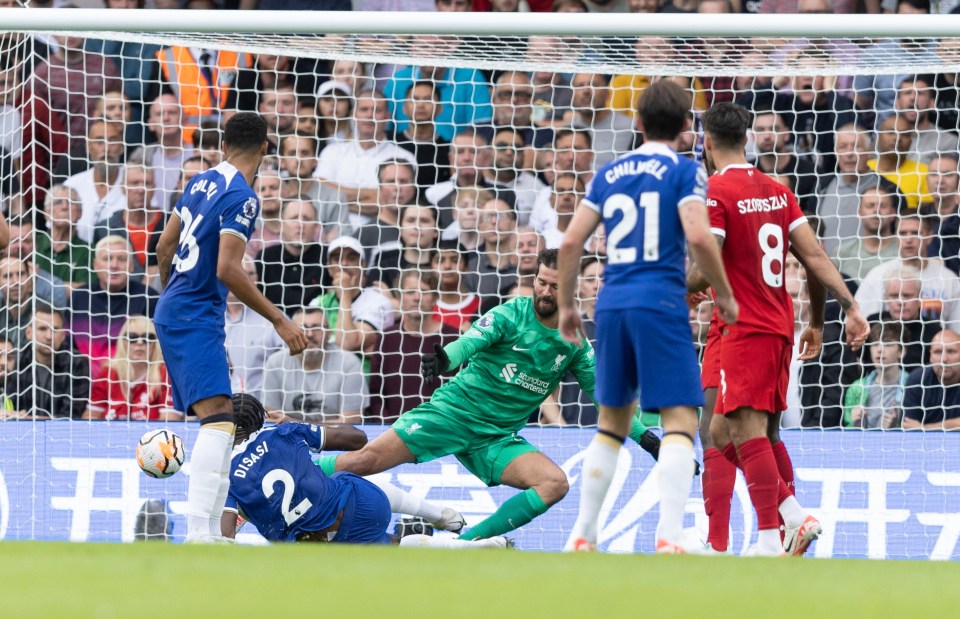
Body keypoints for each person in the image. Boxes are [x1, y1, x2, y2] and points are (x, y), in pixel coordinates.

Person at [317, 249, 661, 543]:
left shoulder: (575, 342)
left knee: (554, 484)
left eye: (555, 286)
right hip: (453, 413)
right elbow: (470, 342)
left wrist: (647, 439)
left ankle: (464, 545)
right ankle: (296, 464)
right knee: (363, 462)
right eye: (541, 282)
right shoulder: (510, 314)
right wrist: (446, 359)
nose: (544, 291)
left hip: (496, 438)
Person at [557, 81, 738, 555]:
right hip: (660, 301)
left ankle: (583, 534)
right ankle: (670, 534)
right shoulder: (685, 171)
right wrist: (723, 292)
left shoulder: (611, 172)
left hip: (612, 303)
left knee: (612, 421)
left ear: (637, 124)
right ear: (685, 127)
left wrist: (569, 304)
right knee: (681, 416)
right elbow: (699, 238)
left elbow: (572, 241)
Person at [687, 102, 870, 557]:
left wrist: (671, 284)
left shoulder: (717, 192)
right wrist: (841, 310)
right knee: (737, 433)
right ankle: (774, 534)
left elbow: (710, 259)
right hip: (779, 323)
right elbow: (814, 256)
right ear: (747, 138)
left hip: (743, 325)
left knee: (738, 433)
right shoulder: (777, 189)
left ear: (707, 143)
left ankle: (785, 522)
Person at [153, 112, 307, 544]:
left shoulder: (200, 182)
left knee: (220, 420)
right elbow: (227, 268)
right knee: (220, 422)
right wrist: (279, 319)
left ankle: (210, 534)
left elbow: (164, 246)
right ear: (266, 147)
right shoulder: (243, 196)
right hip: (193, 315)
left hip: (178, 309)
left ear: (223, 144)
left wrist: (175, 293)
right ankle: (199, 532)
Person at [221, 393, 495, 548]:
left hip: (319, 547)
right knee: (340, 479)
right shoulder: (284, 432)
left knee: (395, 546)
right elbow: (357, 438)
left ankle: (470, 548)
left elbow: (225, 537)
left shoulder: (226, 477)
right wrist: (298, 423)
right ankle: (441, 516)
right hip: (362, 506)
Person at [261, 307, 367, 423]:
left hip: (336, 439)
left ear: (328, 332)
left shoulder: (349, 363)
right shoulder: (275, 363)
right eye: (302, 328)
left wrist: (297, 425)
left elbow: (351, 421)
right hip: (288, 438)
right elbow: (271, 418)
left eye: (317, 328)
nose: (310, 334)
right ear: (291, 332)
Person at [83, 316, 180, 421]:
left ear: (155, 343)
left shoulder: (166, 375)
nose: (139, 342)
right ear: (123, 342)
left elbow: (169, 422)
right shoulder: (108, 374)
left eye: (147, 337)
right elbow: (90, 418)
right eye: (132, 337)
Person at [3, 303, 89, 420]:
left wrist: (27, 418)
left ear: (63, 335)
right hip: (22, 434)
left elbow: (70, 416)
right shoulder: (17, 361)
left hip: (62, 435)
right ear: (29, 333)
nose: (49, 336)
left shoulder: (77, 363)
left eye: (55, 329)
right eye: (42, 329)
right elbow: (10, 407)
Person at [843, 322, 908, 429]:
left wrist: (895, 427)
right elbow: (846, 431)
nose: (879, 350)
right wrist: (854, 424)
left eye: (887, 344)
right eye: (875, 344)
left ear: (901, 351)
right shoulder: (857, 388)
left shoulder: (912, 385)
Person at [902, 329, 960, 430]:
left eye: (951, 351)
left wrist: (925, 428)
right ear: (930, 357)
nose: (944, 359)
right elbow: (909, 426)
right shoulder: (917, 379)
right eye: (938, 352)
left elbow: (918, 428)